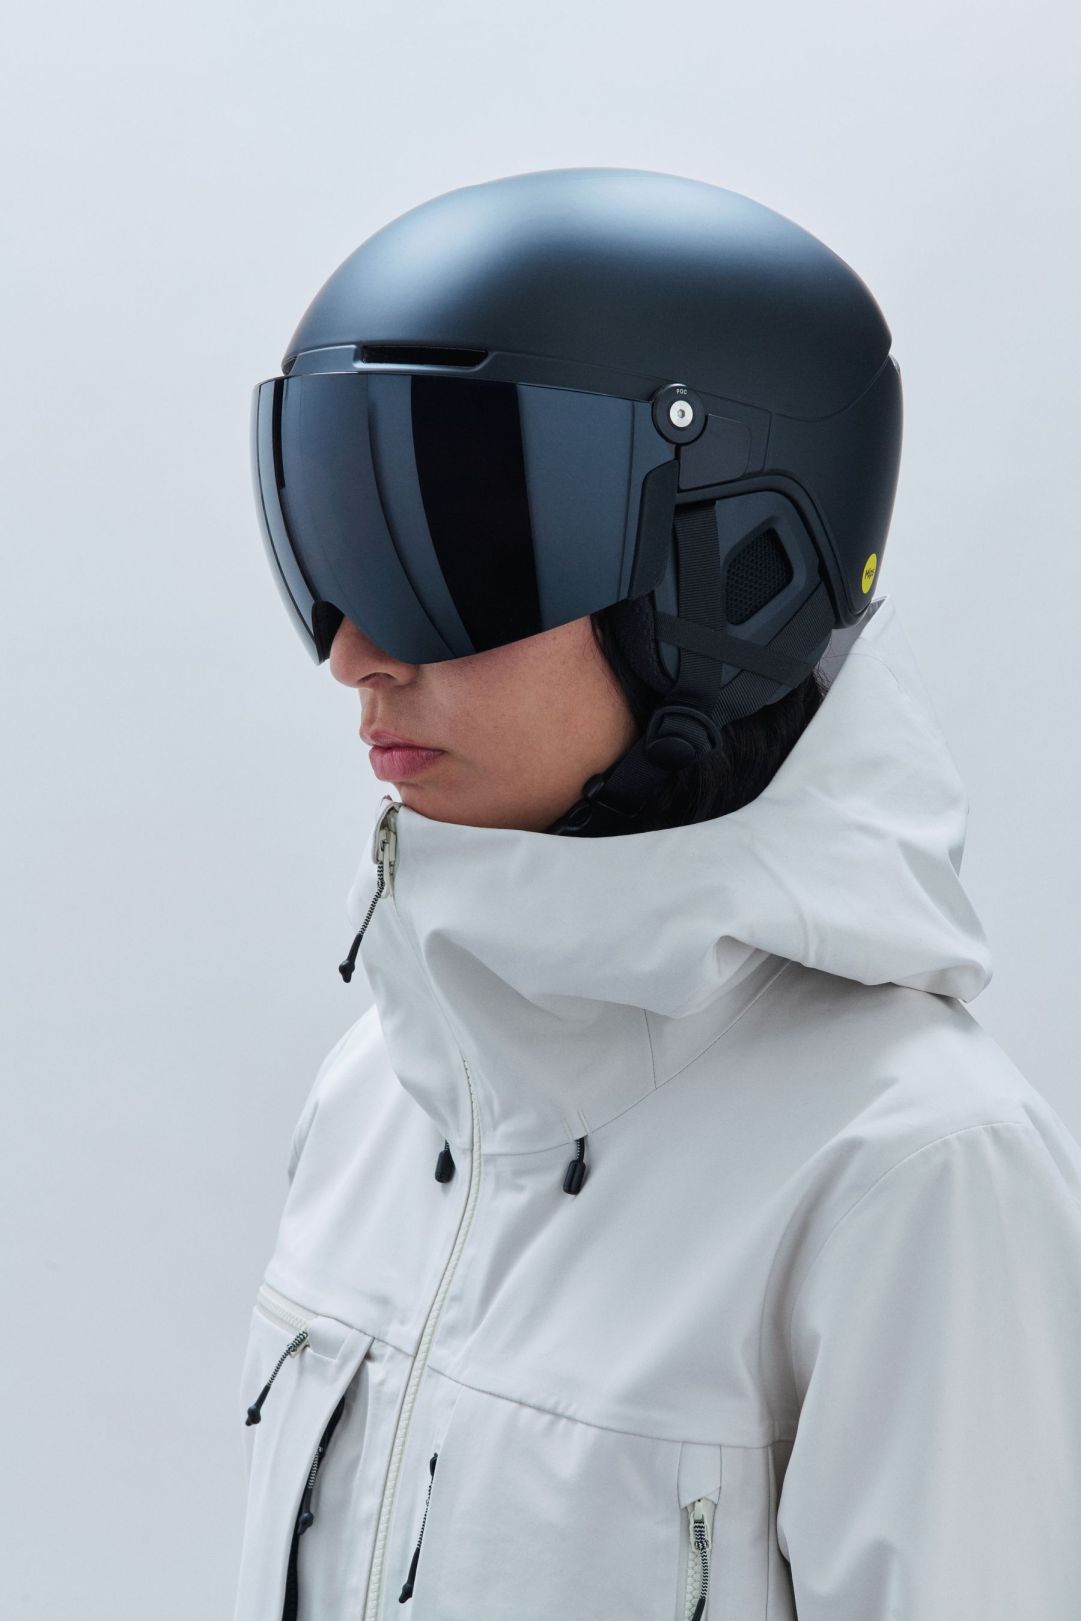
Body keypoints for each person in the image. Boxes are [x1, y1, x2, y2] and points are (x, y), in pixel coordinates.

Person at [235, 168, 1081, 1621]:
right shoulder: (383, 1087)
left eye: (463, 552)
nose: (357, 651)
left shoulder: (913, 1170)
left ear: (727, 573)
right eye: (335, 537)